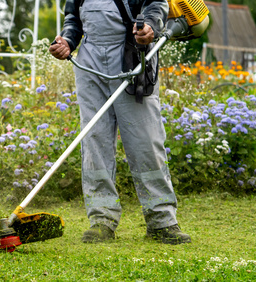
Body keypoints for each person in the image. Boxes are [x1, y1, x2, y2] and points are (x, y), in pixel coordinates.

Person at [49, 0, 191, 245]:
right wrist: (66, 41)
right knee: (95, 141)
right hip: (89, 61)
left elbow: (156, 5)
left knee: (145, 141)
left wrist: (149, 28)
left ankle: (161, 220)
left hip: (131, 57)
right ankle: (102, 219)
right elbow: (73, 19)